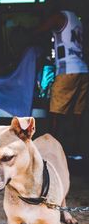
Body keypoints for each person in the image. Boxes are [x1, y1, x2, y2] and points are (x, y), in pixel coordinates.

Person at [35, 9, 89, 156]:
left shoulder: (59, 16)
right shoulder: (77, 20)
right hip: (83, 69)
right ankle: (77, 150)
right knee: (78, 113)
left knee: (55, 113)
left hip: (68, 69)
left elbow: (39, 30)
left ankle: (50, 151)